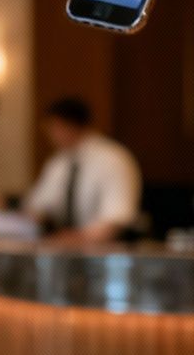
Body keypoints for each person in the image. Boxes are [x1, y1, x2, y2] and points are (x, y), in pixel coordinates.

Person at [23, 97, 141, 245]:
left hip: (109, 251)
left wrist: (74, 239)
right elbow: (38, 206)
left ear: (67, 126)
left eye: (53, 127)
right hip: (66, 248)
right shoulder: (59, 163)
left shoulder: (113, 159)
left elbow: (117, 218)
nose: (50, 135)